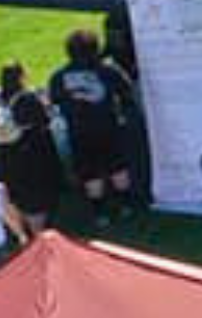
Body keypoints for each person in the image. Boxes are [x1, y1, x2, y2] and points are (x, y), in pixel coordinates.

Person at [48, 29, 138, 222]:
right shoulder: (108, 70)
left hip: (78, 131)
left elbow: (53, 101)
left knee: (90, 174)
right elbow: (127, 92)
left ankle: (100, 213)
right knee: (118, 168)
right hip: (108, 128)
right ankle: (126, 207)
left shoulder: (59, 76)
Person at [0, 65, 64, 237]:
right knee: (34, 199)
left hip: (1, 155)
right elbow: (45, 120)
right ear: (21, 77)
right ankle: (38, 236)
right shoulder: (28, 98)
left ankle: (20, 234)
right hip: (30, 155)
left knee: (11, 196)